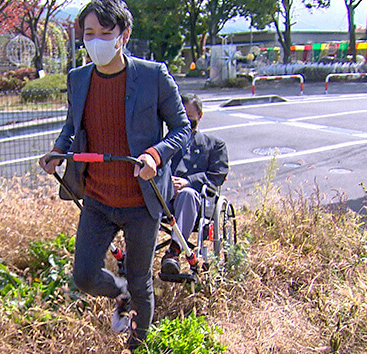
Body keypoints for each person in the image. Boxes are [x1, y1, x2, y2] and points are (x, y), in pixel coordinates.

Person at [38, 0, 191, 351]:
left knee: (140, 280)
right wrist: (58, 151)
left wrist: (154, 154)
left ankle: (138, 346)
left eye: (105, 34)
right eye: (89, 34)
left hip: (141, 199)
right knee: (84, 275)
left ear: (123, 35)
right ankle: (119, 293)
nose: (96, 42)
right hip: (98, 197)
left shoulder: (153, 76)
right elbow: (72, 126)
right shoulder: (78, 78)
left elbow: (182, 128)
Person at [160, 93, 230, 275]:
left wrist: (188, 182)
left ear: (200, 116)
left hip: (196, 201)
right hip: (166, 198)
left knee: (187, 194)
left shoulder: (214, 145)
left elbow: (218, 175)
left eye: (190, 119)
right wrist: (168, 183)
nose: (186, 123)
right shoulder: (166, 143)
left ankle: (174, 252)